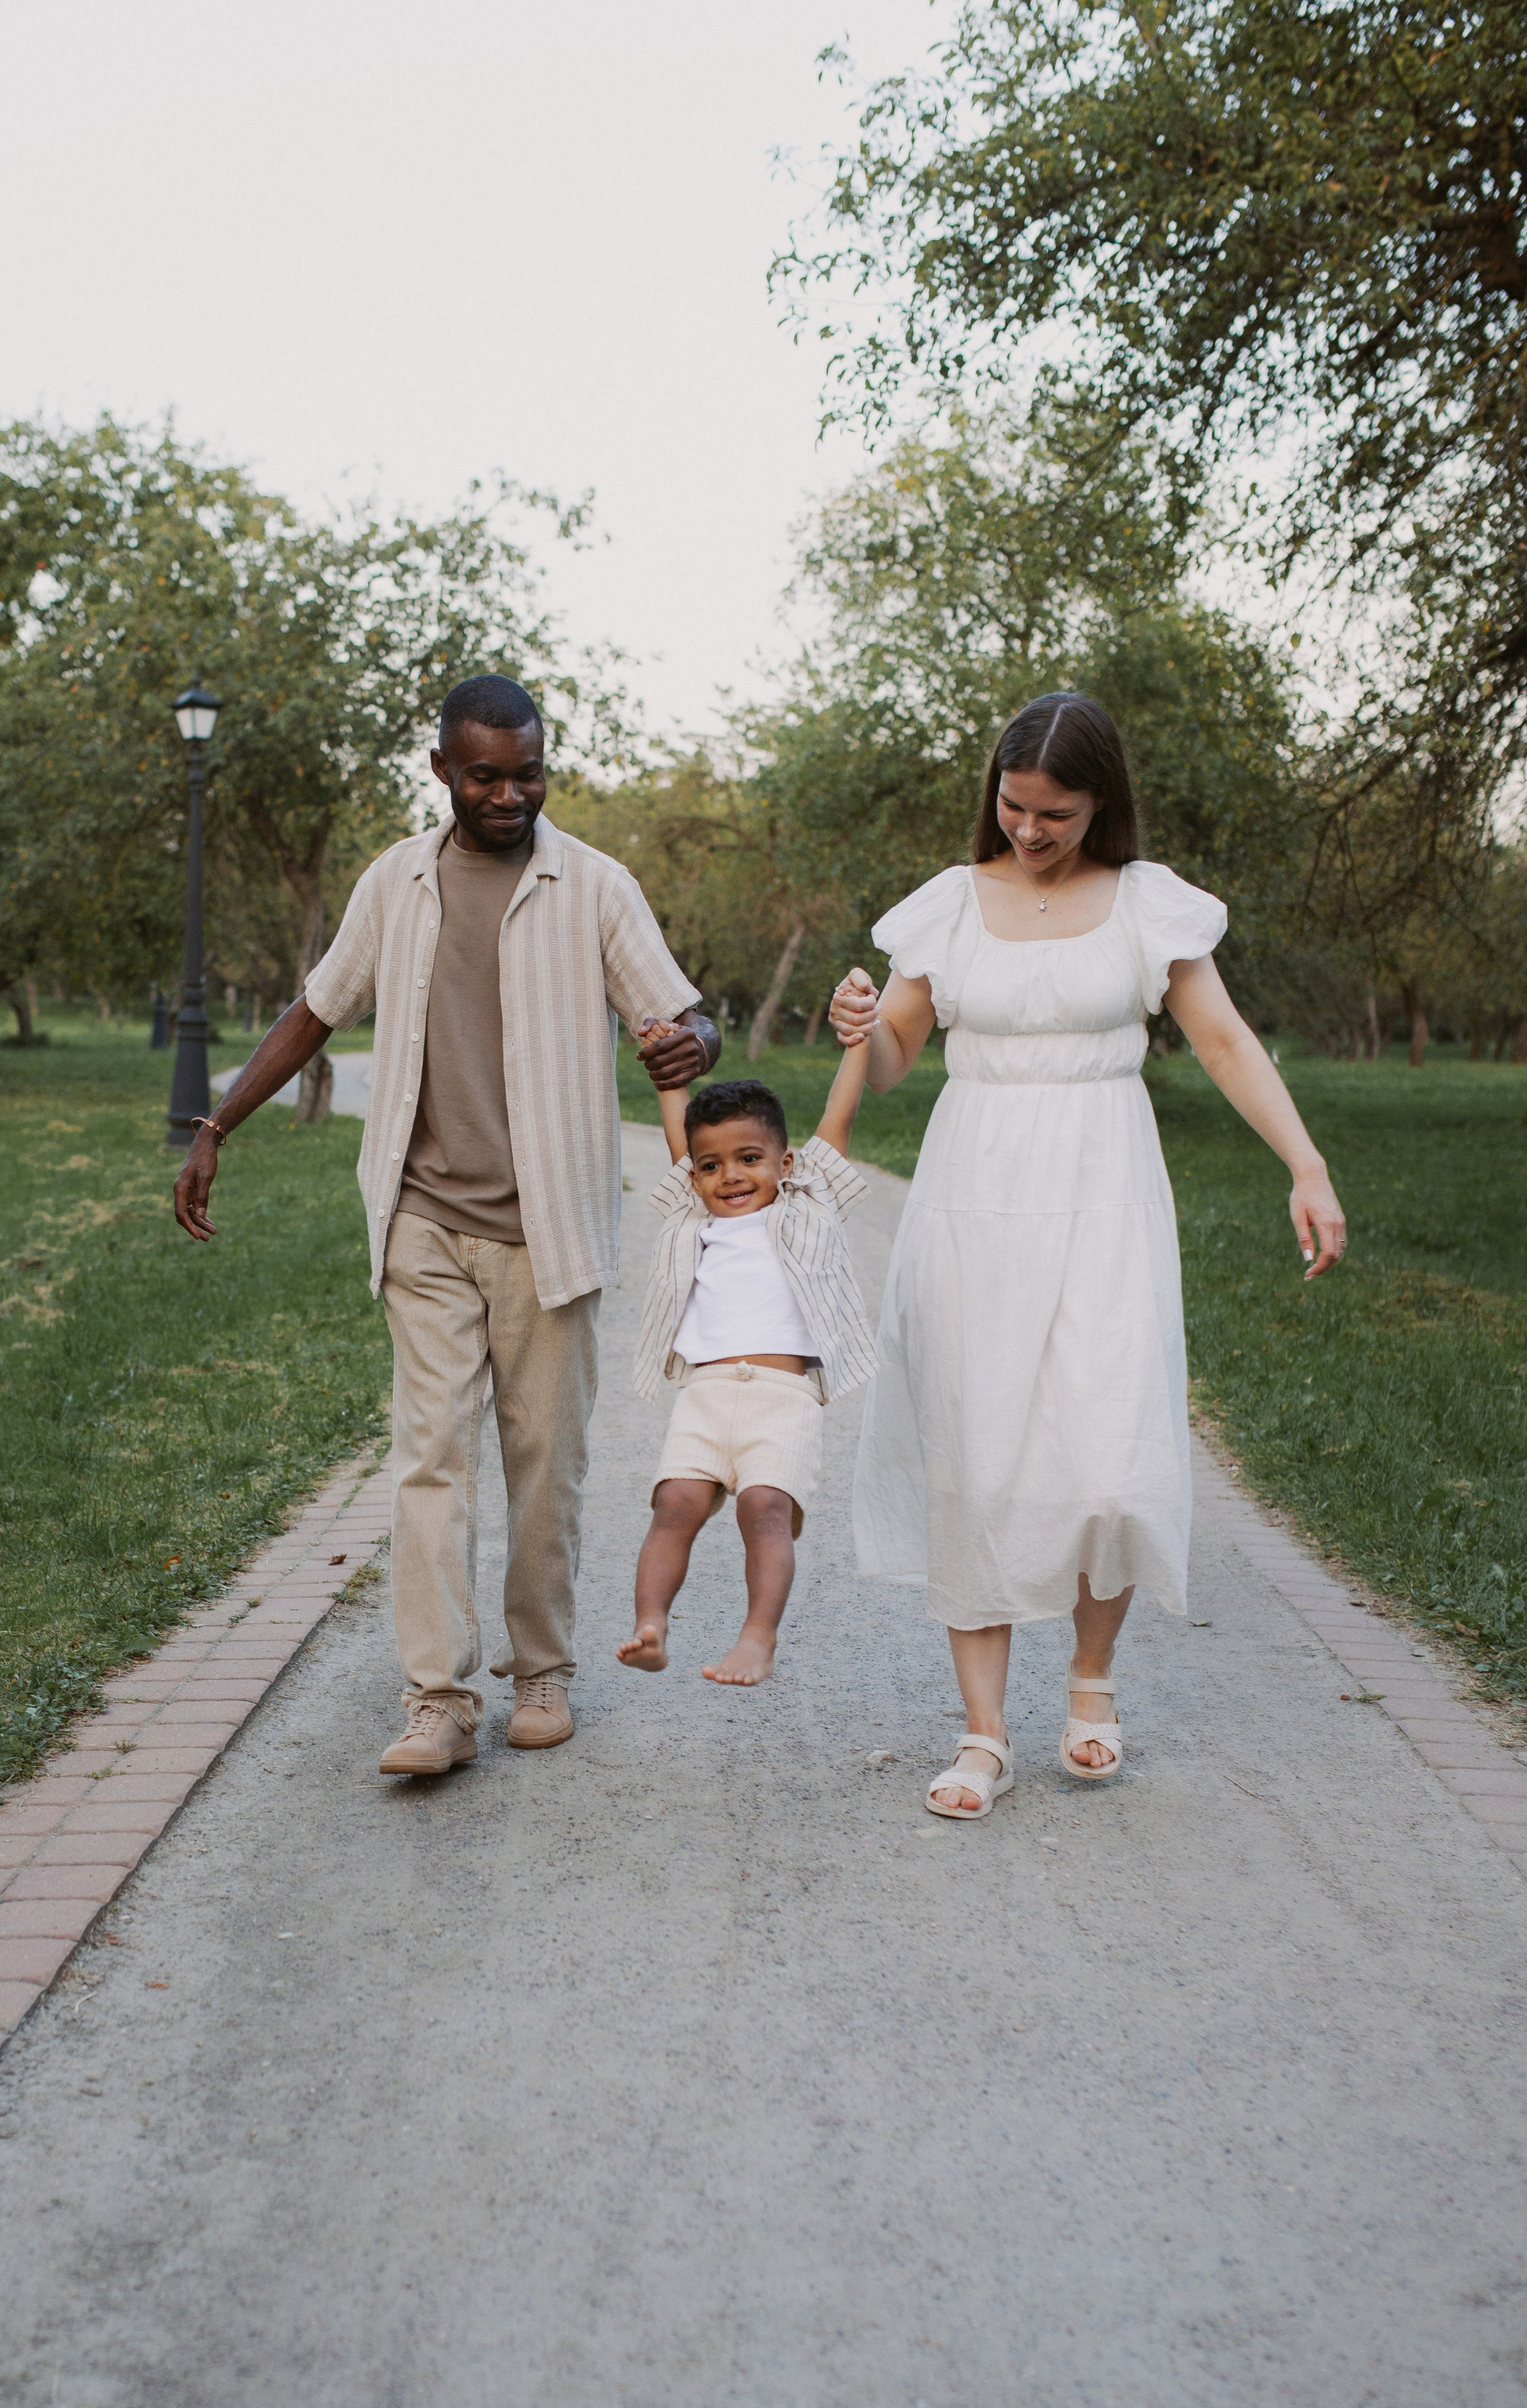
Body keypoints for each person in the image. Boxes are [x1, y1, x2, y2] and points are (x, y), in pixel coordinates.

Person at [173, 674, 718, 1779]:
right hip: (422, 1219)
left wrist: (688, 1046)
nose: (510, 794)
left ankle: (545, 1671)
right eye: (486, 775)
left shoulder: (596, 887)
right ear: (442, 773)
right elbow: (317, 1009)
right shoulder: (398, 882)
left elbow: (681, 1011)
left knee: (543, 1463)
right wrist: (219, 1120)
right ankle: (438, 1700)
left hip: (548, 1227)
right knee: (430, 1456)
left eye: (528, 773)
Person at [830, 691, 1346, 1819]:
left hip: (1106, 1188)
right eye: (1013, 807)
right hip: (973, 1194)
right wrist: (860, 1031)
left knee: (1108, 1453)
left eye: (1055, 813)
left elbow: (1222, 1039)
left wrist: (1305, 1165)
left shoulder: (1145, 905)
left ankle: (1093, 1680)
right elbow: (896, 1060)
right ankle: (981, 1735)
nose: (1029, 829)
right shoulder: (952, 906)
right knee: (976, 1450)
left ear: (1099, 803)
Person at [620, 1038, 874, 1685]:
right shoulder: (691, 1215)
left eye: (749, 1159)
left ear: (785, 1163)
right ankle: (652, 1625)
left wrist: (857, 1042)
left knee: (763, 1508)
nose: (728, 1176)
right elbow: (682, 1141)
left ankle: (757, 1639)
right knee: (674, 1502)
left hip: (781, 1399)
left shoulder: (809, 1207)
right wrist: (667, 1076)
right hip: (705, 1397)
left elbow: (837, 1122)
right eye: (711, 1166)